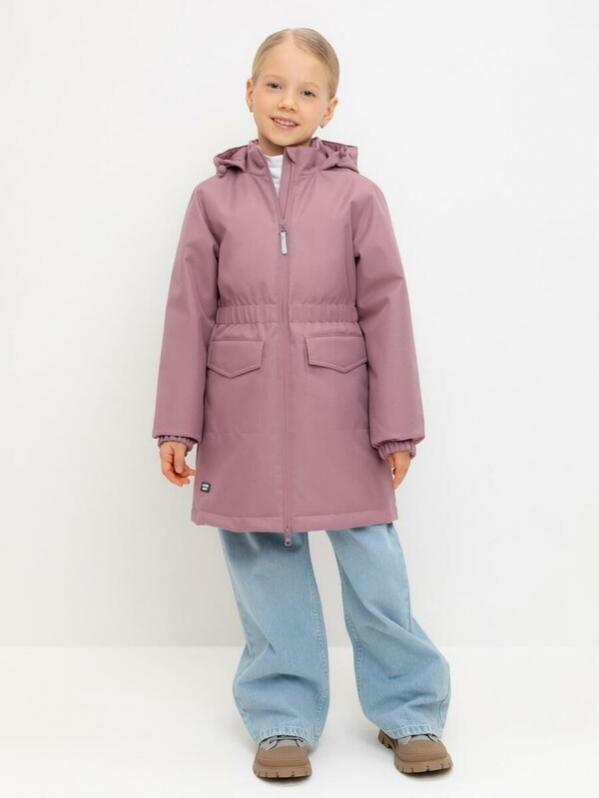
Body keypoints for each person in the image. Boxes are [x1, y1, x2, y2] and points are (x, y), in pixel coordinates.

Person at [152, 27, 453, 779]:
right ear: (249, 91)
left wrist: (397, 428)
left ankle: (409, 709)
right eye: (275, 85)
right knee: (264, 569)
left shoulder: (358, 196)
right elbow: (188, 311)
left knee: (374, 565)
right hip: (243, 412)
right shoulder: (212, 200)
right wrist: (176, 424)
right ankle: (282, 718)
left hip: (340, 410)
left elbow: (386, 308)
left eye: (307, 91)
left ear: (330, 107)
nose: (289, 101)